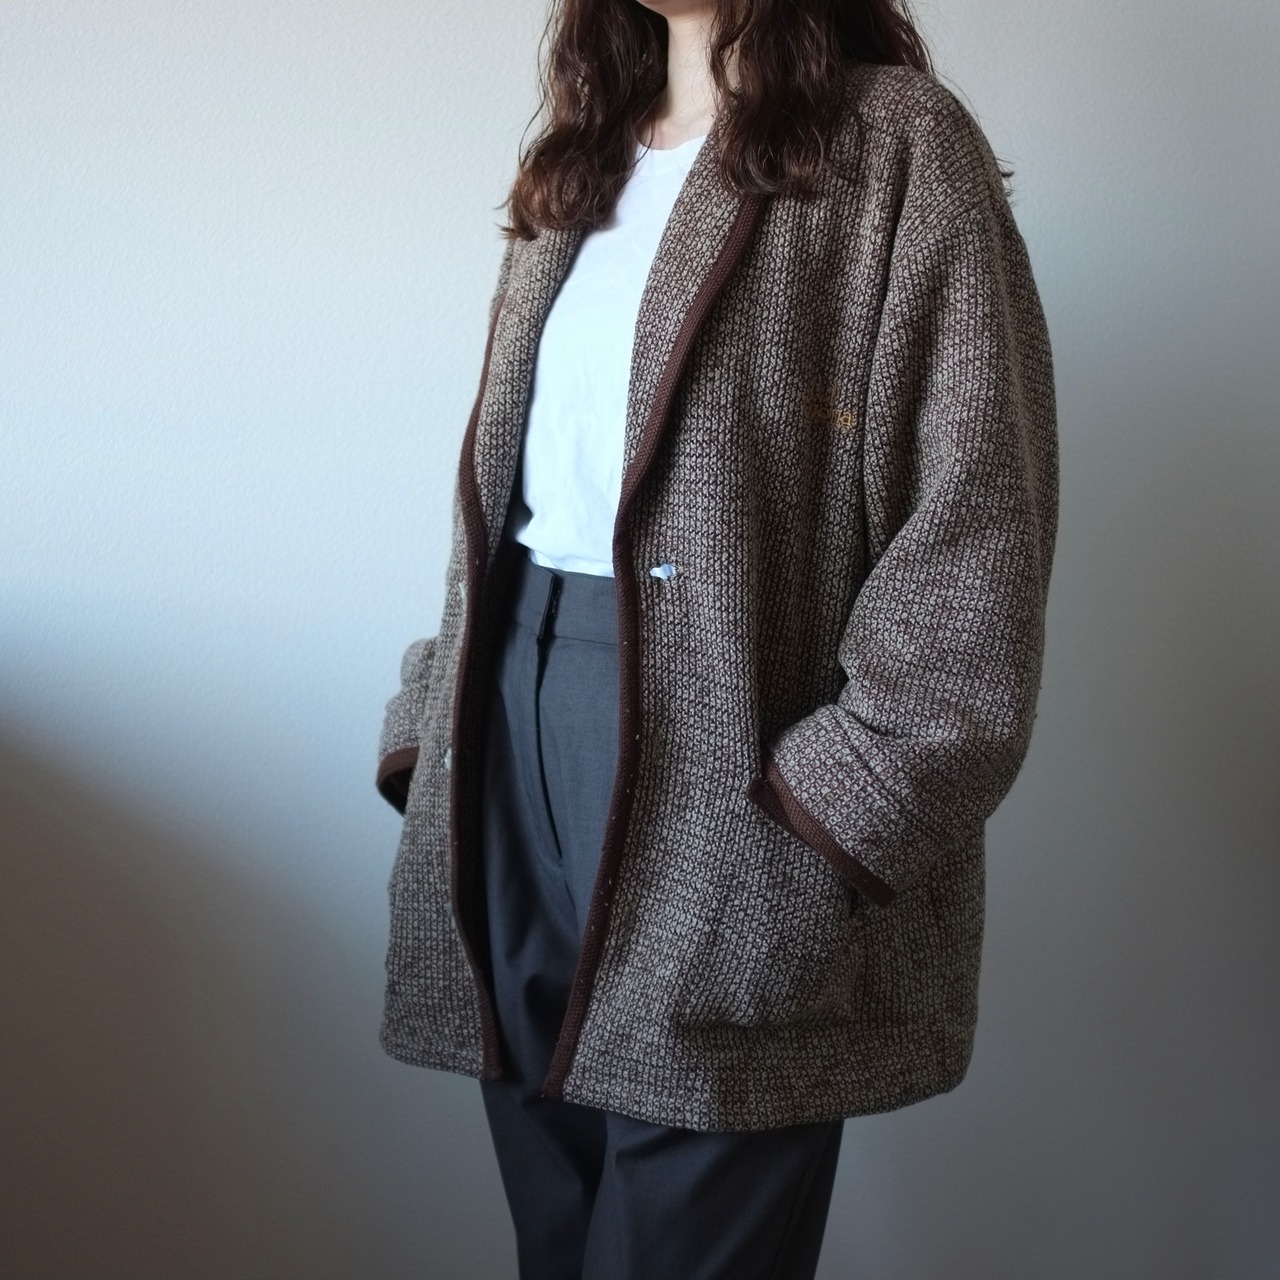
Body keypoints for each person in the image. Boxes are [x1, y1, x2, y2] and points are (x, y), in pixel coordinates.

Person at [374, 0, 1059, 1275]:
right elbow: (524, 480)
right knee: (556, 1227)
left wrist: (839, 808)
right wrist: (435, 726)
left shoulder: (895, 144)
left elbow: (974, 518)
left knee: (683, 1231)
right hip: (511, 728)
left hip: (731, 755)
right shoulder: (583, 153)